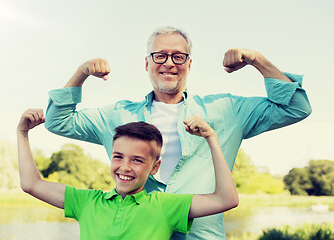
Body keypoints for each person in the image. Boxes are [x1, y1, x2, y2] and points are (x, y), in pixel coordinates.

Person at [44, 26, 312, 239]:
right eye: (159, 55)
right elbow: (58, 121)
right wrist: (81, 73)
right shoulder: (117, 116)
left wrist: (257, 60)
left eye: (178, 56)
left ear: (189, 64)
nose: (169, 63)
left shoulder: (227, 109)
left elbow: (296, 107)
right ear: (147, 63)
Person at [17, 109, 238, 240]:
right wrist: (22, 133)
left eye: (137, 160)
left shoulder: (165, 206)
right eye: (118, 156)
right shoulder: (86, 202)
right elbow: (31, 184)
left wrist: (211, 137)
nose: (125, 167)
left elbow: (226, 199)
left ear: (155, 167)